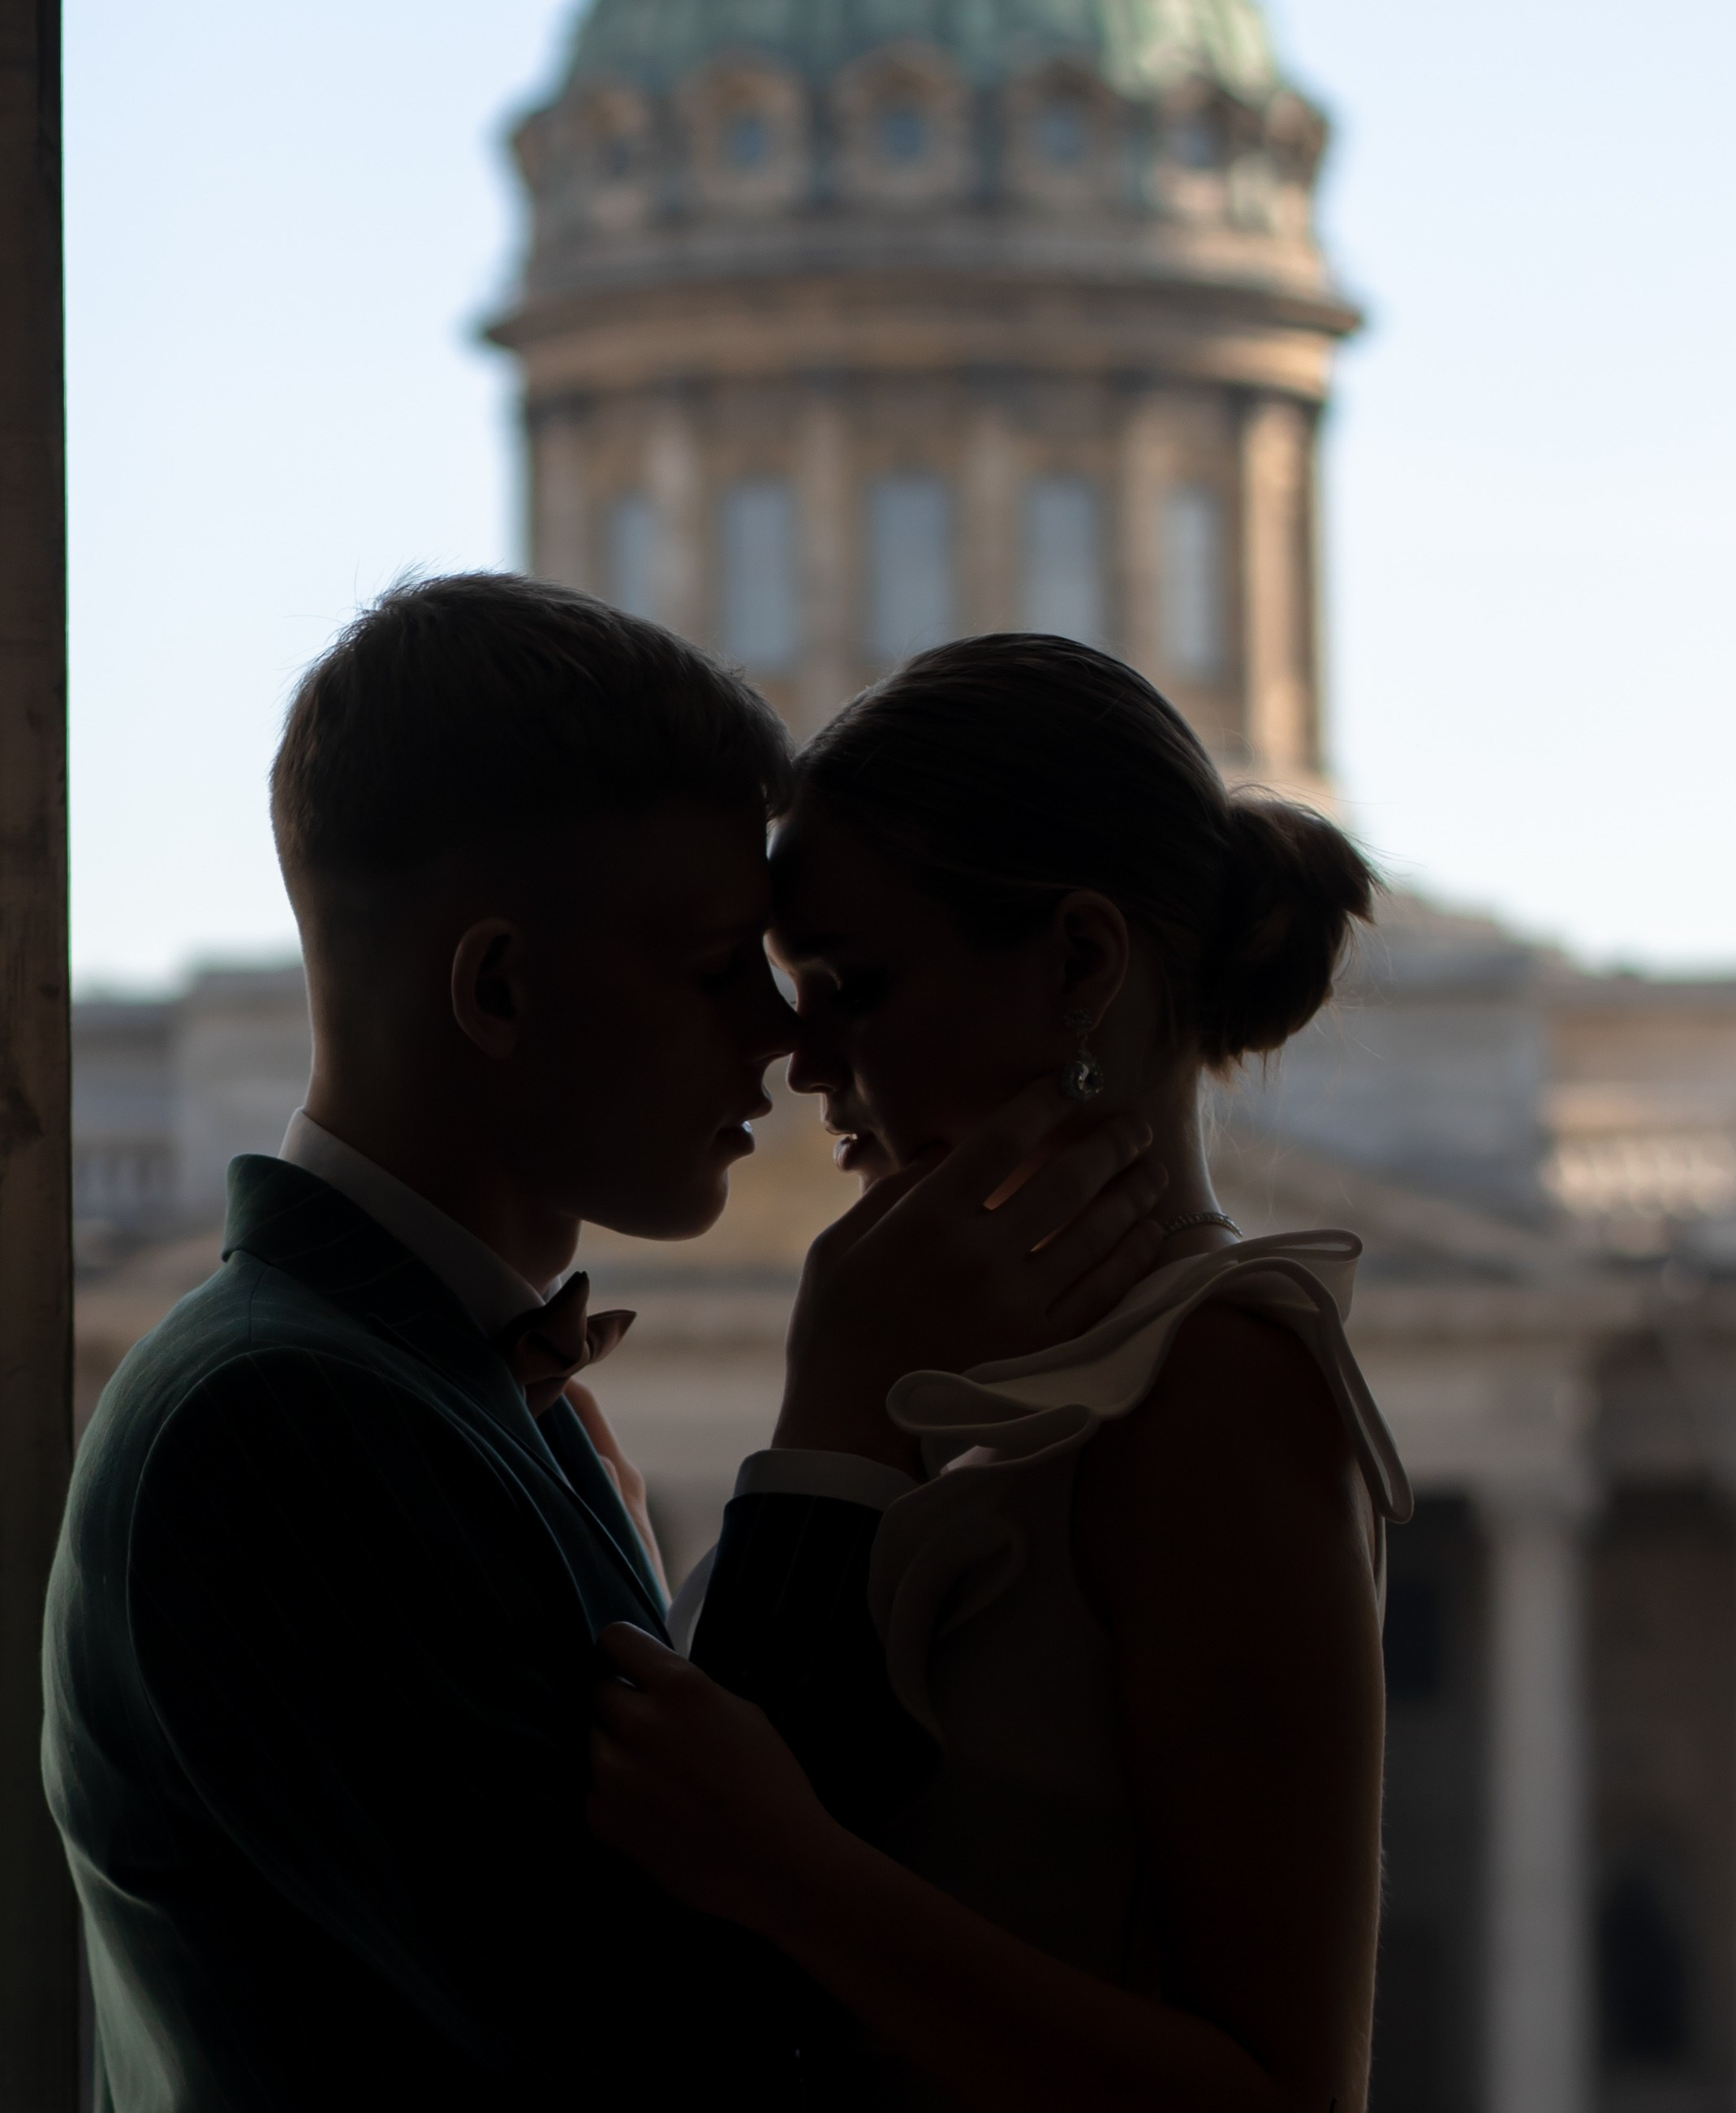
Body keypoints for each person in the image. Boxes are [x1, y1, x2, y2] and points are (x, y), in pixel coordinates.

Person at [42, 580, 1165, 2112]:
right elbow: (675, 2040)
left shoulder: (413, 1376)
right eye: (716, 967)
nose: (783, 1039)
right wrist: (837, 1426)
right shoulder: (280, 1418)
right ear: (497, 987)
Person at [587, 633, 1414, 2113]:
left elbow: (1288, 2093)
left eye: (853, 981)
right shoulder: (990, 1366)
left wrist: (797, 1876)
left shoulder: (1216, 1389)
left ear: (1082, 965)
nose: (801, 1058)